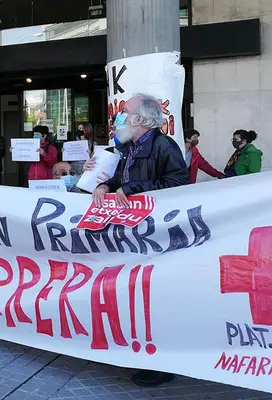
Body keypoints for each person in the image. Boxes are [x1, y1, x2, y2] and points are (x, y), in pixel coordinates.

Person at [92, 94, 189, 388]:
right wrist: (106, 184)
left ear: (141, 119)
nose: (119, 116)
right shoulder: (131, 148)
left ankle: (162, 364)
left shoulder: (163, 145)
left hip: (157, 236)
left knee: (155, 298)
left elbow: (178, 184)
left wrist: (135, 187)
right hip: (135, 235)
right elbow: (121, 178)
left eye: (125, 111)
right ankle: (142, 353)